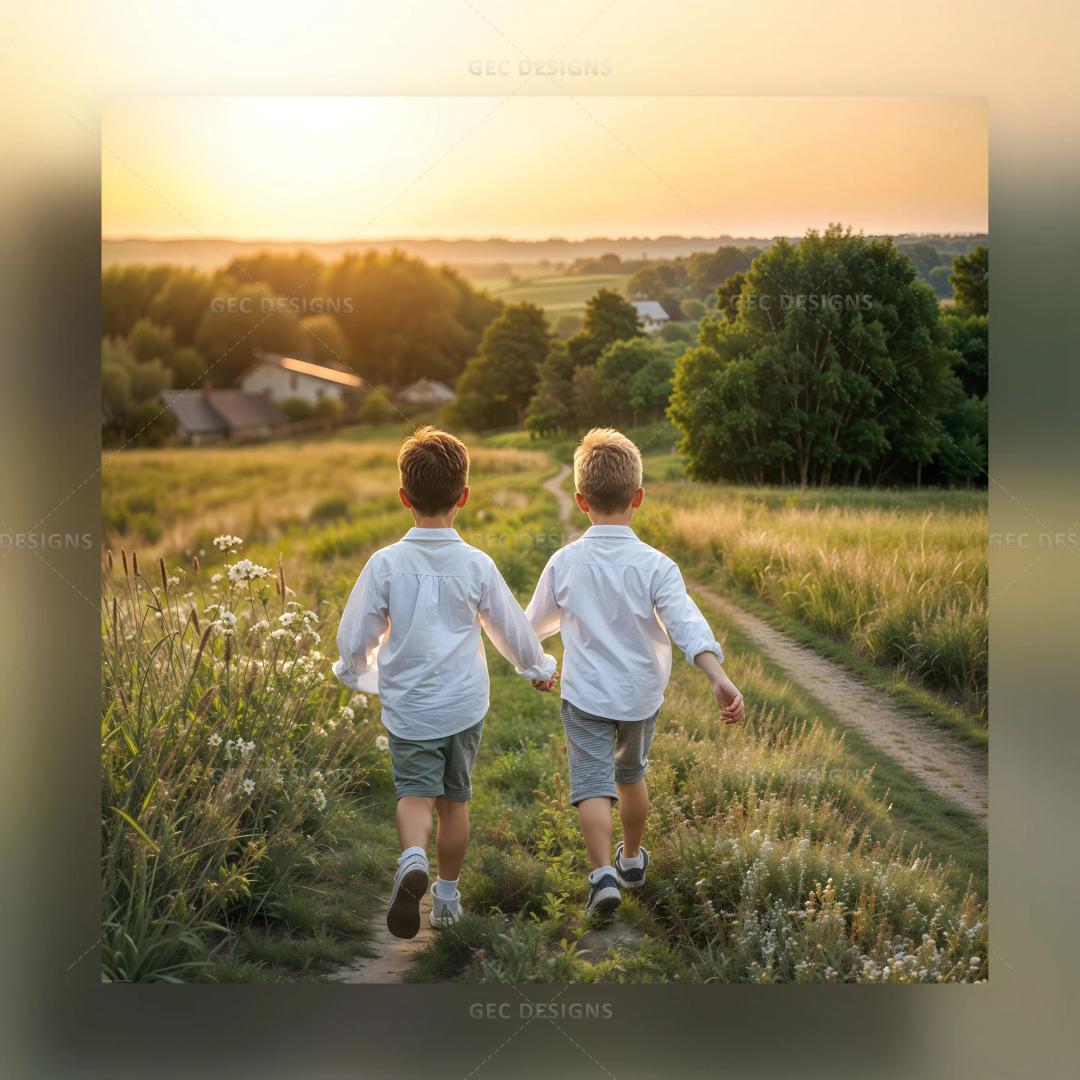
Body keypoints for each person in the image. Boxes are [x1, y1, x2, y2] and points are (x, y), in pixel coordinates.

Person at [334, 426, 557, 938]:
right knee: (455, 802)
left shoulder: (384, 564)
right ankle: (448, 898)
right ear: (464, 497)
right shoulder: (476, 564)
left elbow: (356, 634)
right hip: (462, 705)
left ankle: (413, 857)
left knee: (414, 795)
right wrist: (537, 668)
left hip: (410, 708)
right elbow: (510, 628)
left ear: (403, 497)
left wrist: (354, 669)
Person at [526, 428, 744, 918]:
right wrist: (716, 676)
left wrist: (538, 666)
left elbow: (530, 628)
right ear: (638, 497)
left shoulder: (565, 562)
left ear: (581, 500)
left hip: (584, 698)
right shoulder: (657, 565)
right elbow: (687, 622)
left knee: (590, 785)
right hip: (640, 698)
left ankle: (602, 873)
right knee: (631, 776)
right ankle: (630, 857)